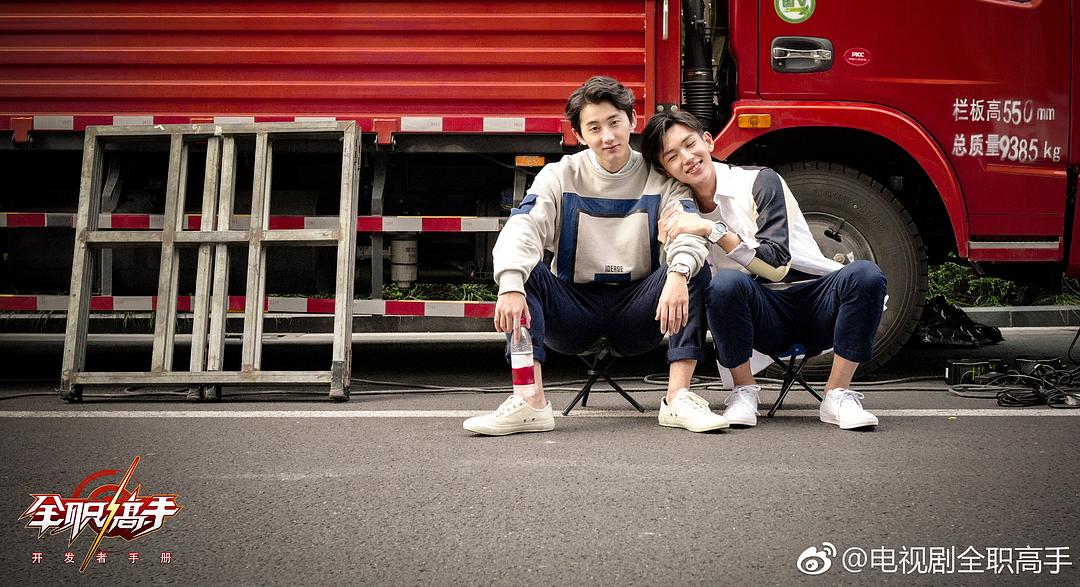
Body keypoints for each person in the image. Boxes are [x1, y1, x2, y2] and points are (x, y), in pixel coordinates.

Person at [463, 76, 729, 436]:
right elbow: (523, 226)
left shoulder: (663, 178)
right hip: (573, 311)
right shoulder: (559, 175)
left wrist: (678, 274)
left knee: (691, 265)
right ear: (579, 134)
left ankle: (678, 398)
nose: (608, 136)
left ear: (632, 120)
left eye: (615, 122)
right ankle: (529, 401)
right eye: (594, 128)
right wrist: (510, 284)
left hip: (641, 312)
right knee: (525, 272)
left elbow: (687, 232)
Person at [640, 109, 886, 430]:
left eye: (690, 144)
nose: (687, 158)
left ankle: (837, 395)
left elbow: (777, 265)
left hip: (814, 301)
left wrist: (713, 230)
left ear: (708, 141)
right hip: (760, 317)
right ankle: (743, 392)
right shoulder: (679, 208)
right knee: (726, 284)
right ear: (665, 169)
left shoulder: (759, 181)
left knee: (866, 275)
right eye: (673, 156)